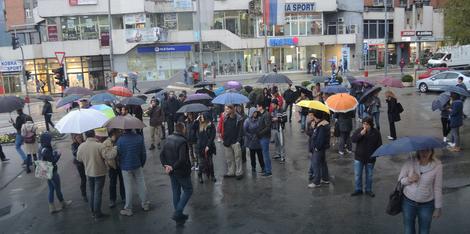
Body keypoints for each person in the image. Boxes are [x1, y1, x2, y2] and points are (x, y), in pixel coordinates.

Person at [399, 149, 442, 234]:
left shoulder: (437, 165)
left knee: (424, 231)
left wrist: (438, 208)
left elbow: (437, 187)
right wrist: (409, 179)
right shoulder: (410, 161)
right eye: (422, 150)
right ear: (418, 151)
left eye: (427, 150)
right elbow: (400, 180)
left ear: (432, 151)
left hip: (427, 204)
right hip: (408, 202)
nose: (424, 153)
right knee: (408, 230)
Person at [160, 122, 193, 224]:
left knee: (176, 191)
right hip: (181, 171)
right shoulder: (182, 141)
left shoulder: (168, 138)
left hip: (172, 171)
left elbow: (162, 155)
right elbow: (182, 159)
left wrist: (166, 166)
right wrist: (172, 167)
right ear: (182, 129)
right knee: (188, 190)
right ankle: (178, 212)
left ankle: (179, 214)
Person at [117, 129, 150, 216]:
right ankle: (145, 204)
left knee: (128, 188)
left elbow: (118, 154)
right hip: (137, 164)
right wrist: (141, 163)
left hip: (125, 166)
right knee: (141, 184)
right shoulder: (139, 138)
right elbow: (143, 153)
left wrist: (120, 164)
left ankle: (128, 208)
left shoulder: (120, 140)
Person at [77, 130, 108, 219]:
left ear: (86, 136)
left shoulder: (81, 146)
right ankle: (97, 213)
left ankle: (93, 211)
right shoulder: (99, 145)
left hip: (89, 172)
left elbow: (79, 158)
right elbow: (106, 156)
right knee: (98, 192)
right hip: (100, 172)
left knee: (92, 192)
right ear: (94, 135)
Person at [39, 132, 72, 214]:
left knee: (51, 189)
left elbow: (46, 158)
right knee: (57, 188)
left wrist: (53, 153)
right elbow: (53, 161)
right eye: (49, 139)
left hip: (45, 171)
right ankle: (63, 203)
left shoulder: (41, 148)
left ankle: (52, 207)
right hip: (52, 172)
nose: (50, 141)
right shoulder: (46, 149)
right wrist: (58, 154)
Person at [350, 117, 382, 197]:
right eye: (363, 124)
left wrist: (375, 155)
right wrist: (361, 134)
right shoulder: (359, 130)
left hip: (370, 158)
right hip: (359, 157)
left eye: (367, 124)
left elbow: (379, 145)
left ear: (370, 124)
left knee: (369, 176)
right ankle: (358, 189)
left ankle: (368, 189)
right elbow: (353, 139)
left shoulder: (376, 133)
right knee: (358, 174)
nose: (365, 126)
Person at [99, 128, 125, 209]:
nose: (119, 133)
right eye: (118, 132)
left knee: (122, 182)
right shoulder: (106, 143)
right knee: (113, 183)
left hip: (121, 164)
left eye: (119, 132)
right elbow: (107, 155)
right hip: (112, 166)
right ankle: (112, 199)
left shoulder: (121, 140)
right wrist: (115, 148)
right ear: (113, 133)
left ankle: (124, 197)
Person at [307, 110, 331, 188]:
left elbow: (320, 138)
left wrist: (317, 147)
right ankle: (325, 178)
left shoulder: (321, 126)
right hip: (322, 148)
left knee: (316, 164)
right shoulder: (322, 123)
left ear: (316, 117)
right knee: (323, 163)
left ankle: (316, 182)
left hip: (319, 148)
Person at [222, 105, 244, 180]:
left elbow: (241, 130)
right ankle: (231, 172)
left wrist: (238, 140)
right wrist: (224, 139)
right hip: (227, 141)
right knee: (229, 158)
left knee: (238, 158)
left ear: (232, 109)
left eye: (228, 109)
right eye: (226, 109)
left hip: (235, 141)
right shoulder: (225, 118)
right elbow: (224, 129)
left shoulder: (239, 118)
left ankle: (239, 172)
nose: (226, 110)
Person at [195, 112, 216, 183]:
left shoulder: (211, 125)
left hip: (209, 147)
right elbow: (192, 128)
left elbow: (212, 137)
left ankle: (212, 175)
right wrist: (196, 119)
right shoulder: (198, 124)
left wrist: (208, 146)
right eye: (201, 117)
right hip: (200, 147)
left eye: (203, 117)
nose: (202, 118)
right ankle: (200, 175)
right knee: (202, 163)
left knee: (210, 163)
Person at [244, 107, 264, 173]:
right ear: (251, 113)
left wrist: (259, 134)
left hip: (258, 139)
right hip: (251, 141)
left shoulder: (259, 119)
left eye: (256, 112)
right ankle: (253, 167)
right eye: (254, 112)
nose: (255, 114)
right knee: (252, 155)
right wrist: (250, 136)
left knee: (260, 154)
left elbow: (262, 127)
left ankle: (263, 167)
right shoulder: (247, 121)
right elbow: (244, 130)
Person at [257, 101, 272, 177]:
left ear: (261, 107)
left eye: (258, 106)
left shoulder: (266, 114)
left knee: (265, 154)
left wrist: (260, 133)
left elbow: (268, 127)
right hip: (262, 136)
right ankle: (266, 169)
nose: (257, 108)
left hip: (265, 137)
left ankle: (268, 171)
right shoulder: (262, 114)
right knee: (264, 154)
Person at [71, 134, 87, 202]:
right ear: (75, 138)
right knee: (83, 179)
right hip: (80, 164)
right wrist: (80, 146)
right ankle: (84, 194)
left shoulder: (85, 142)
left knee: (91, 178)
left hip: (87, 162)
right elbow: (74, 153)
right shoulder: (74, 145)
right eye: (77, 137)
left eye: (80, 137)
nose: (79, 139)